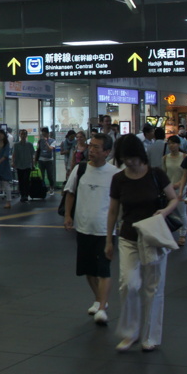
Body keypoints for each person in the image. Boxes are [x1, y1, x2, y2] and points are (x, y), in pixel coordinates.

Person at [105, 134, 178, 353]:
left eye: (132, 158)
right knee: (129, 284)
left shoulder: (156, 174)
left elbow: (174, 198)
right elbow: (112, 211)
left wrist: (163, 212)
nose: (129, 162)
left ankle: (150, 336)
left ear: (141, 155)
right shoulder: (119, 180)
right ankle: (130, 333)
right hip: (128, 236)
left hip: (153, 237)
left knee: (153, 288)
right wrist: (109, 240)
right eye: (125, 158)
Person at [62, 133, 117, 326]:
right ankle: (100, 299)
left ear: (107, 152)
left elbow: (119, 202)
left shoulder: (115, 173)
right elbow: (70, 194)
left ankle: (102, 308)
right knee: (88, 269)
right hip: (83, 227)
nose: (91, 150)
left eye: (96, 147)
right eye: (90, 146)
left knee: (104, 269)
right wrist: (68, 216)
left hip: (105, 230)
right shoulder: (81, 169)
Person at [163, 135, 187, 247]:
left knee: (182, 212)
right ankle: (169, 234)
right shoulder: (165, 158)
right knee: (170, 212)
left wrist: (179, 184)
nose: (171, 145)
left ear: (179, 144)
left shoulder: (185, 157)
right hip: (169, 189)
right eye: (169, 143)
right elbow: (163, 174)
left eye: (174, 143)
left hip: (181, 188)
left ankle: (183, 234)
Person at [12, 130, 35, 202]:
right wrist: (13, 162)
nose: (23, 136)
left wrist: (33, 164)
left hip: (27, 165)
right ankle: (22, 195)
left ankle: (26, 195)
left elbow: (32, 155)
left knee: (26, 180)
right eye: (22, 134)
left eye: (24, 134)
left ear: (26, 135)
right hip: (19, 165)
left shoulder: (30, 145)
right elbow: (14, 155)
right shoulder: (16, 145)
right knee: (21, 180)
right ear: (19, 135)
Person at [34, 127, 57, 195]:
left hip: (49, 160)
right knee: (42, 176)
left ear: (48, 134)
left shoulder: (53, 141)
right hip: (41, 160)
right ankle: (43, 188)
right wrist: (35, 160)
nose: (43, 136)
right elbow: (38, 150)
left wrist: (46, 142)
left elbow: (50, 149)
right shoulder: (40, 141)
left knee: (50, 175)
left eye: (44, 134)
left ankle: (51, 188)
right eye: (42, 134)